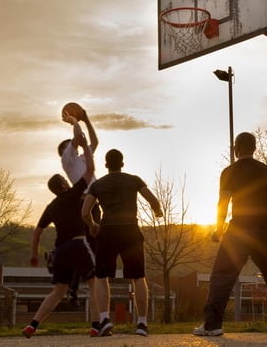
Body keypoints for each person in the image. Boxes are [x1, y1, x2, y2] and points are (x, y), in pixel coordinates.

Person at [193, 132, 267, 337]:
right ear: (254, 148)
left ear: (236, 148)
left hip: (239, 230)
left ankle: (212, 325)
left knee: (222, 276)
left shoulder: (230, 171)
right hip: (264, 231)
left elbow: (223, 203)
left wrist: (219, 229)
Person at [22, 119, 101, 338]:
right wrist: (84, 143)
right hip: (77, 244)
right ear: (65, 184)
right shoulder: (74, 194)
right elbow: (92, 170)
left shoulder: (51, 206)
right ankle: (96, 326)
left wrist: (33, 255)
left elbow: (37, 231)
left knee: (58, 291)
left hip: (60, 250)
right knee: (94, 284)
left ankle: (32, 325)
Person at [82, 148, 163, 337]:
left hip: (108, 231)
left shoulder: (98, 185)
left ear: (106, 165)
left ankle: (103, 319)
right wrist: (157, 211)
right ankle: (142, 324)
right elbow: (152, 199)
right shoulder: (133, 180)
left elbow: (85, 212)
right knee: (138, 277)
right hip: (130, 230)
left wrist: (93, 225)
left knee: (102, 277)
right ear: (122, 164)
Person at [58, 107, 101, 306]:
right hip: (82, 203)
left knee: (93, 244)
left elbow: (94, 141)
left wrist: (87, 119)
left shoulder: (83, 158)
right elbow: (77, 138)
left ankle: (76, 285)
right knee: (86, 245)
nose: (76, 144)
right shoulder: (67, 159)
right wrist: (75, 122)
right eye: (72, 145)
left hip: (94, 203)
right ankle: (76, 285)